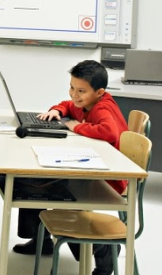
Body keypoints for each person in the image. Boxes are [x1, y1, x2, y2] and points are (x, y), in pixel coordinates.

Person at [12, 60, 127, 275]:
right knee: (30, 179)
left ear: (100, 92)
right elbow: (67, 104)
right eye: (72, 87)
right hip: (94, 168)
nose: (74, 94)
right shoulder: (87, 102)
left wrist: (78, 127)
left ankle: (102, 250)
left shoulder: (103, 107)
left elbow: (109, 131)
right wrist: (57, 110)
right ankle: (42, 240)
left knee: (43, 186)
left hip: (107, 178)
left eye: (81, 91)